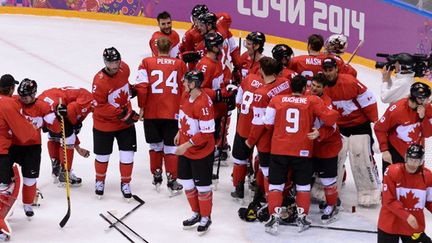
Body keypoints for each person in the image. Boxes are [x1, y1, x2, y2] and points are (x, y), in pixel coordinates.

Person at [263, 75, 339, 234]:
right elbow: (332, 119)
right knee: (303, 186)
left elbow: (267, 123)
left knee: (275, 185)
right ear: (305, 88)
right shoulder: (313, 101)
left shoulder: (277, 99)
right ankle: (302, 218)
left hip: (279, 149)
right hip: (303, 150)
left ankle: (273, 218)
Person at [136, 36, 187, 195]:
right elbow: (185, 87)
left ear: (156, 48)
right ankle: (172, 179)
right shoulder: (180, 64)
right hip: (172, 111)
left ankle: (157, 174)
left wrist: (142, 107)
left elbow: (142, 87)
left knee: (155, 145)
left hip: (152, 111)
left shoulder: (146, 62)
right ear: (171, 48)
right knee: (171, 147)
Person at [92, 47, 139, 199]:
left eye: (117, 61)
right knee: (102, 156)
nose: (115, 65)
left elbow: (124, 83)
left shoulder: (124, 68)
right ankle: (100, 180)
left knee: (128, 155)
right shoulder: (99, 82)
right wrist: (123, 114)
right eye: (112, 63)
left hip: (124, 124)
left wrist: (131, 90)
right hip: (104, 124)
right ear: (106, 63)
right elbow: (100, 106)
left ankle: (125, 182)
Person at [243, 57, 292, 202]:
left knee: (267, 172)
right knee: (284, 168)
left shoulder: (260, 93)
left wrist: (250, 141)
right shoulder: (285, 83)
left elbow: (259, 122)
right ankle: (283, 196)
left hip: (266, 138)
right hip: (284, 134)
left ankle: (270, 201)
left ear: (262, 71)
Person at [11, 78, 61, 218]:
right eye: (21, 95)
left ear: (33, 94)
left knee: (30, 178)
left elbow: (56, 128)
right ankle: (7, 205)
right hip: (13, 145)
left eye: (25, 96)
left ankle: (27, 204)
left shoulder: (43, 107)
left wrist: (58, 115)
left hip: (32, 147)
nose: (22, 99)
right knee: (7, 179)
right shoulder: (14, 101)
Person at [175, 70, 215, 235]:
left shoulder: (204, 104)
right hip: (188, 149)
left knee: (203, 187)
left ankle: (206, 217)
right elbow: (183, 117)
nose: (183, 84)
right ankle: (196, 213)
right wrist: (179, 132)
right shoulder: (185, 96)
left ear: (193, 84)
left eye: (186, 82)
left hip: (201, 152)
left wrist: (186, 145)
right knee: (187, 183)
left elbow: (207, 133)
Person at [0, 74, 38, 241]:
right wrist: (34, 128)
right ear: (11, 89)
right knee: (5, 188)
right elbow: (23, 132)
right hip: (1, 152)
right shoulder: (7, 104)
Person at [38, 86, 93, 186]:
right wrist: (77, 146)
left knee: (54, 134)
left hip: (44, 102)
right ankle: (65, 174)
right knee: (69, 137)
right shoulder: (88, 100)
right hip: (53, 106)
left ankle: (56, 168)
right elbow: (70, 113)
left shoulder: (82, 93)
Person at [377, 144, 432, 243]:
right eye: (410, 159)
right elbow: (388, 201)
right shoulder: (392, 171)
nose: (412, 164)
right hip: (390, 223)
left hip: (413, 226)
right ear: (406, 157)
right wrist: (407, 216)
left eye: (416, 161)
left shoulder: (427, 176)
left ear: (421, 162)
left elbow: (430, 201)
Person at [374, 82, 432, 175]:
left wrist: (422, 117)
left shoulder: (427, 108)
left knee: (413, 185)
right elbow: (380, 128)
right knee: (391, 183)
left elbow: (428, 134)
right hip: (395, 151)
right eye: (425, 98)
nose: (428, 101)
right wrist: (385, 150)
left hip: (415, 154)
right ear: (417, 99)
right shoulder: (397, 110)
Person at [308, 73, 343, 223]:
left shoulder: (327, 104)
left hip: (327, 146)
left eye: (318, 87)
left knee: (327, 179)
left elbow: (333, 127)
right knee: (305, 175)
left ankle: (332, 205)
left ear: (324, 88)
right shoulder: (306, 96)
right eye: (313, 85)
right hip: (311, 145)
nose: (314, 89)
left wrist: (319, 133)